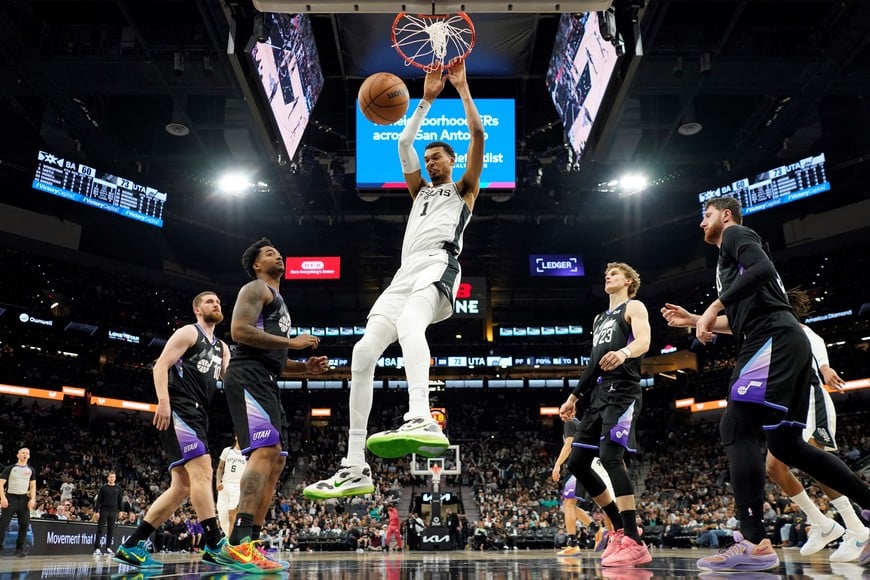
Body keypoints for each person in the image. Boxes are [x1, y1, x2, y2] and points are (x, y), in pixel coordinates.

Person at [304, 59, 484, 500]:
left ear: (452, 161)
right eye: (427, 158)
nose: (429, 160)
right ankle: (354, 465)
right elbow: (404, 140)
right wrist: (424, 99)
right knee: (362, 351)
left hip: (439, 265)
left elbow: (478, 135)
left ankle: (421, 414)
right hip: (404, 275)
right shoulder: (419, 191)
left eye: (436, 156)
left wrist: (460, 90)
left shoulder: (464, 189)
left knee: (409, 326)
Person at [661, 196, 870, 572]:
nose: (700, 223)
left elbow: (761, 267)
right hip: (777, 337)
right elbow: (743, 318)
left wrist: (712, 308)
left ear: (725, 215)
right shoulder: (730, 262)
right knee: (788, 446)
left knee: (736, 426)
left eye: (705, 216)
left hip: (771, 339)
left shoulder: (735, 233)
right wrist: (697, 319)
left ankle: (755, 542)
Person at [218, 237, 330, 573]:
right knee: (264, 452)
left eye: (279, 252)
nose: (277, 255)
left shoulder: (279, 301)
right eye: (269, 253)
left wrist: (303, 368)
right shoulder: (256, 289)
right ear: (256, 265)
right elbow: (239, 332)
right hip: (248, 375)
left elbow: (275, 361)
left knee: (277, 461)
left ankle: (250, 541)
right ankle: (237, 543)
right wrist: (293, 343)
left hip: (266, 377)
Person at [114, 291, 230, 570]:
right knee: (203, 469)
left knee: (181, 487)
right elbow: (161, 366)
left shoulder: (222, 347)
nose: (216, 304)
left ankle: (132, 545)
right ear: (197, 310)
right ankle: (215, 541)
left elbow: (233, 380)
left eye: (218, 301)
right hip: (180, 407)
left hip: (200, 412)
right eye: (209, 301)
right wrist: (163, 402)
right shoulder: (189, 333)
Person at [763, 288, 868, 561]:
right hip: (785, 403)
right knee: (774, 467)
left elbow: (818, 346)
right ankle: (821, 524)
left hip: (810, 396)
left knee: (814, 459)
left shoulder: (799, 329)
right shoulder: (763, 330)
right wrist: (695, 320)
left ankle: (857, 529)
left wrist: (825, 368)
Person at [559, 262, 652, 568]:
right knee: (578, 462)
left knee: (611, 458)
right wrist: (574, 397)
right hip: (598, 394)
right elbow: (593, 364)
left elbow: (644, 342)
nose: (607, 276)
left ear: (629, 280)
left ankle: (635, 543)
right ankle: (620, 529)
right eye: (606, 273)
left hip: (624, 390)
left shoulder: (634, 306)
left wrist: (624, 352)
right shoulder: (600, 318)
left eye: (614, 273)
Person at [552, 407, 614, 556]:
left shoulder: (570, 424)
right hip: (587, 465)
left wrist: (557, 464)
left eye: (564, 411)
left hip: (577, 466)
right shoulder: (580, 424)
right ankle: (597, 530)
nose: (561, 415)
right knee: (570, 505)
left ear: (572, 411)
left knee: (568, 504)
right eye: (560, 412)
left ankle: (573, 543)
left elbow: (568, 445)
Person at [0, 447, 36, 557]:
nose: (25, 454)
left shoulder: (31, 470)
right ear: (18, 455)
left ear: (29, 456)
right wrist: (3, 498)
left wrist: (32, 499)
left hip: (24, 499)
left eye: (27, 453)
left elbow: (33, 486)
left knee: (25, 524)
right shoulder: (10, 468)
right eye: (23, 453)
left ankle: (19, 549)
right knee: (3, 524)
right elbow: (0, 484)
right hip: (10, 498)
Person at [216, 436, 247, 537]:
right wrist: (218, 482)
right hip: (224, 485)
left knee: (232, 514)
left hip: (238, 486)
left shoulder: (248, 453)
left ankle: (231, 544)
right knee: (222, 517)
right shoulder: (227, 451)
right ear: (236, 436)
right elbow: (220, 468)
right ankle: (231, 539)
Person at [93, 471, 122, 554]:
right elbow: (99, 500)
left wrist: (121, 511)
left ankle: (108, 547)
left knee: (111, 530)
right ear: (108, 478)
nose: (112, 478)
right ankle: (97, 548)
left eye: (113, 477)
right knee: (100, 529)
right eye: (111, 477)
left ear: (115, 478)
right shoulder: (103, 488)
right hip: (104, 510)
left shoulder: (118, 488)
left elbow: (120, 500)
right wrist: (96, 511)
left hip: (113, 511)